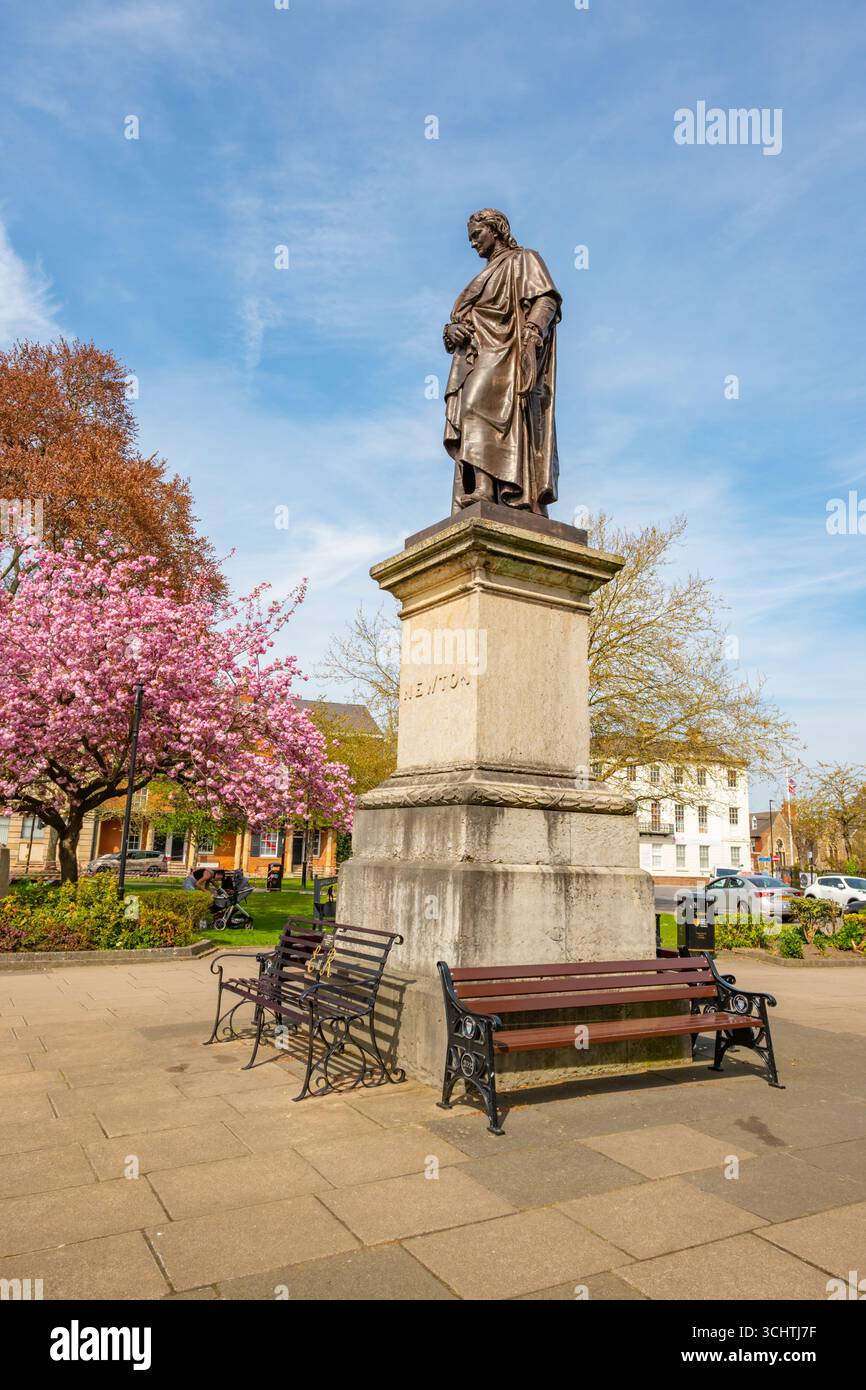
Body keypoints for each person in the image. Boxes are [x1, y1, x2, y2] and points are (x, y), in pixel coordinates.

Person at [443, 208, 562, 516]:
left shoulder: (524, 260)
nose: (472, 244)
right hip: (479, 352)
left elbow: (546, 299)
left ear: (495, 230)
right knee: (471, 411)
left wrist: (534, 331)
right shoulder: (482, 277)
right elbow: (461, 319)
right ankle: (483, 487)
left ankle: (493, 488)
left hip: (509, 353)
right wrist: (451, 330)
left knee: (474, 407)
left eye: (476, 235)